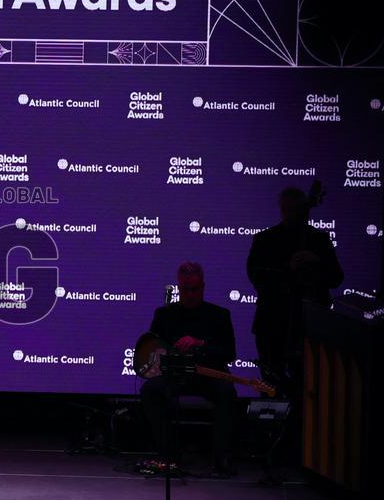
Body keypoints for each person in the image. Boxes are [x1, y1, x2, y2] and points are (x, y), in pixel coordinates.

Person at [139, 262, 237, 475]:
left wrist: (201, 344)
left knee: (227, 392)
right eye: (185, 289)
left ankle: (221, 459)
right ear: (178, 288)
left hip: (208, 377)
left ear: (203, 287)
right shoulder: (164, 314)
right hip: (176, 376)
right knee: (150, 390)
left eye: (194, 289)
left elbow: (229, 353)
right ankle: (168, 455)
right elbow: (153, 349)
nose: (190, 294)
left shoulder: (220, 315)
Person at [247, 186, 343, 392]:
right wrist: (288, 269)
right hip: (273, 325)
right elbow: (257, 278)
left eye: (299, 210)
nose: (294, 215)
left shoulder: (318, 239)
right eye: (289, 209)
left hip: (311, 326)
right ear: (282, 209)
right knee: (272, 386)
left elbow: (336, 278)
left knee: (312, 386)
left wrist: (317, 261)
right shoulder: (265, 239)